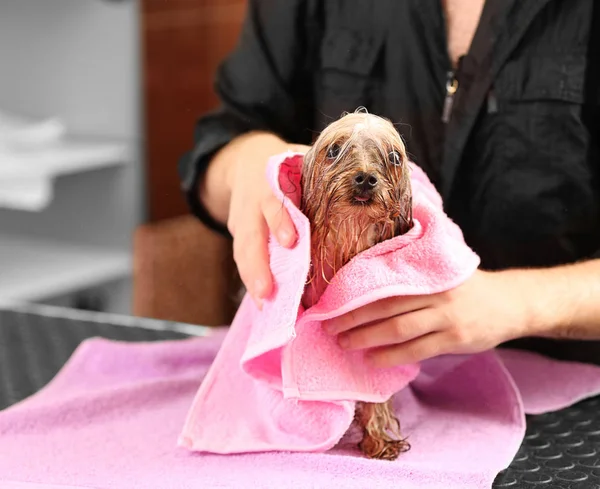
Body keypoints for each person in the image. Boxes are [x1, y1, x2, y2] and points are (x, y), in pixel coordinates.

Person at [179, 0, 600, 365]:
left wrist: (519, 305)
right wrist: (243, 163)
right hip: (333, 361)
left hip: (565, 388)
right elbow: (220, 145)